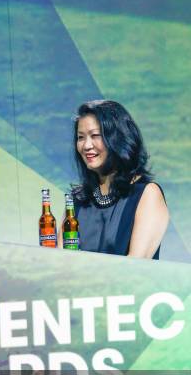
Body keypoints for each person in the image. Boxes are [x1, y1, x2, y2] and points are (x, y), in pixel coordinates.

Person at [69, 100, 169, 258]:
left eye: (95, 135)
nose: (86, 145)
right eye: (81, 137)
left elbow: (135, 268)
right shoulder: (78, 200)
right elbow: (58, 262)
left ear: (118, 138)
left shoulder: (147, 194)